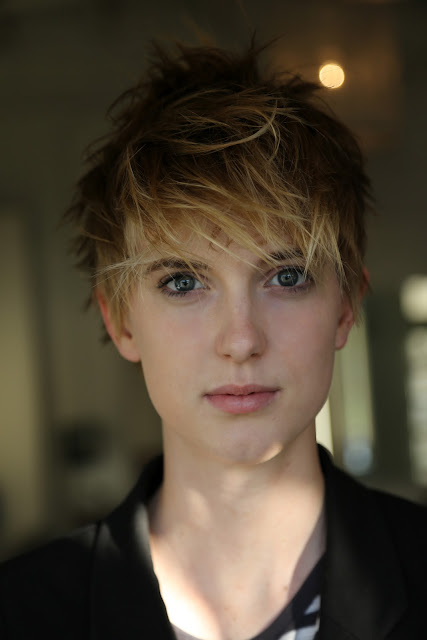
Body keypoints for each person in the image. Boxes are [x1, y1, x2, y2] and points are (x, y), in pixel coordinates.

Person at [1, 40, 427, 640]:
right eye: (182, 282)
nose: (241, 340)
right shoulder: (21, 614)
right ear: (121, 321)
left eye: (287, 277)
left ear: (345, 307)